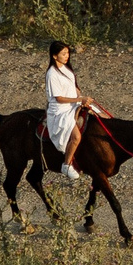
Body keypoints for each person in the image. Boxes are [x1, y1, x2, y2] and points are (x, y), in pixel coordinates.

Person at [43, 41, 98, 183]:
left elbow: (74, 87)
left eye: (67, 53)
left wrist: (82, 98)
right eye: (63, 54)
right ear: (55, 56)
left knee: (99, 115)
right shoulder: (51, 74)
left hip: (74, 103)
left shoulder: (67, 69)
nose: (66, 56)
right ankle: (66, 165)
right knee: (76, 137)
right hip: (60, 110)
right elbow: (59, 98)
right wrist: (79, 99)